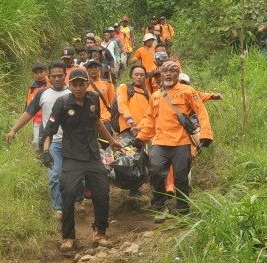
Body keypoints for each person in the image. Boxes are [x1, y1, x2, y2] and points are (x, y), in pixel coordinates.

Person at [42, 69, 122, 252]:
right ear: (69, 86)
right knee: (68, 194)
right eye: (75, 84)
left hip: (93, 155)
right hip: (71, 157)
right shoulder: (62, 104)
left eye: (82, 84)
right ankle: (68, 237)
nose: (78, 88)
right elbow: (49, 130)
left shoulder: (93, 99)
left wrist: (111, 141)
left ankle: (100, 232)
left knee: (102, 192)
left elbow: (96, 122)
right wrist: (46, 151)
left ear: (87, 84)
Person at [131, 61, 213, 223]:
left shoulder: (188, 91)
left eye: (172, 71)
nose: (168, 74)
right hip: (160, 143)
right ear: (160, 74)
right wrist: (141, 138)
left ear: (178, 74)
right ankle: (160, 206)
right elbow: (150, 120)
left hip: (181, 143)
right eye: (165, 71)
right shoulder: (155, 95)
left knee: (181, 176)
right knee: (155, 172)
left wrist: (206, 135)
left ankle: (182, 208)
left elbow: (201, 112)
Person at [6, 61, 78, 220]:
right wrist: (14, 129)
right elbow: (29, 112)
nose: (57, 79)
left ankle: (74, 202)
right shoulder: (42, 93)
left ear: (65, 75)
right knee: (54, 176)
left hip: (72, 142)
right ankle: (58, 209)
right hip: (52, 142)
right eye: (54, 76)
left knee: (71, 177)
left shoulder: (73, 94)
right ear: (49, 77)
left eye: (60, 76)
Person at [116, 66, 150, 197]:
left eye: (142, 74)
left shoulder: (148, 93)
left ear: (145, 77)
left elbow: (149, 114)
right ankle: (128, 185)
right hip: (128, 129)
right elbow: (122, 104)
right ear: (132, 75)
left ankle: (136, 186)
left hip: (144, 131)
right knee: (129, 158)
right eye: (136, 74)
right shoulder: (124, 87)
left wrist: (141, 127)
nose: (139, 77)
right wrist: (129, 119)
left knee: (142, 159)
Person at [86, 60, 115, 136]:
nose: (93, 70)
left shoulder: (107, 83)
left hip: (105, 118)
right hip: (89, 120)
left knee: (107, 144)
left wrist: (113, 118)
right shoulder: (84, 85)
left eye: (95, 67)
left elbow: (113, 102)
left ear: (99, 69)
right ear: (87, 70)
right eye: (91, 68)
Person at [25, 62, 50, 151]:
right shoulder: (32, 88)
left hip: (49, 119)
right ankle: (39, 160)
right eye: (36, 73)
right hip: (37, 119)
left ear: (45, 72)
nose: (39, 75)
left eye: (41, 72)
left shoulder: (50, 84)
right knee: (36, 142)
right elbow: (28, 107)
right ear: (33, 75)